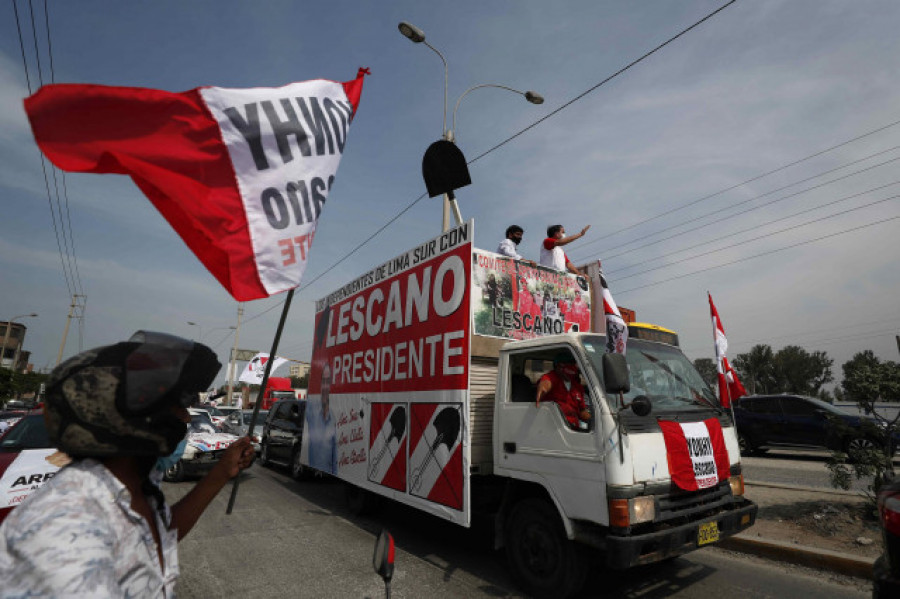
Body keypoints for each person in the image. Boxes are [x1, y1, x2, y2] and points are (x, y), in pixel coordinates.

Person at [0, 331, 255, 596]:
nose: (186, 419)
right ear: (126, 419)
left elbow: (159, 533)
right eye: (177, 406)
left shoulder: (133, 486)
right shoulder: (66, 531)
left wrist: (221, 472)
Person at [535, 352, 591, 430]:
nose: (572, 366)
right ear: (558, 366)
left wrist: (591, 420)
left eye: (573, 363)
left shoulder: (577, 387)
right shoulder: (551, 377)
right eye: (568, 363)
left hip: (573, 428)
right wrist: (542, 390)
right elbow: (546, 383)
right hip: (554, 428)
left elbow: (582, 411)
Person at [306, 362, 337, 474]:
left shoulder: (334, 420)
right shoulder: (311, 412)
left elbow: (335, 463)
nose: (325, 386)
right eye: (323, 381)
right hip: (312, 475)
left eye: (328, 381)